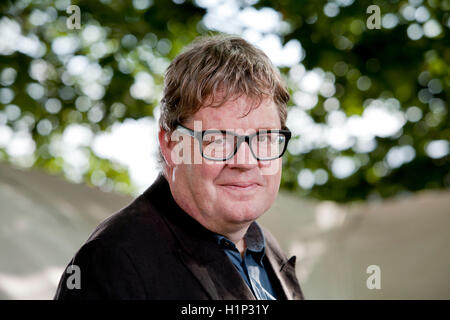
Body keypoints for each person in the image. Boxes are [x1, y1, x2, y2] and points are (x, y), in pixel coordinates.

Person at [54, 34, 304, 300]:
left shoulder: (265, 247)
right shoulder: (113, 260)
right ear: (172, 145)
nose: (244, 161)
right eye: (218, 140)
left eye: (263, 138)